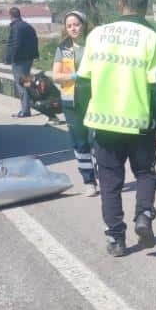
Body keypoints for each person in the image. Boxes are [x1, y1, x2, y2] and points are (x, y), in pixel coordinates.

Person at [83, 0, 156, 257]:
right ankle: (143, 214)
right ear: (145, 7)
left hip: (103, 122)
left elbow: (83, 82)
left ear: (120, 4)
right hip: (140, 122)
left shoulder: (97, 35)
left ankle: (116, 238)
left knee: (110, 182)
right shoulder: (152, 38)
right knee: (145, 172)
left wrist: (88, 116)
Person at [50, 10, 96, 195]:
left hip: (94, 97)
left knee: (96, 139)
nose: (73, 28)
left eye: (76, 24)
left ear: (83, 25)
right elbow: (55, 76)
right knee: (80, 141)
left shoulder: (93, 44)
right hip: (72, 100)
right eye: (69, 26)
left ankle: (103, 176)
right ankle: (89, 181)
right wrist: (73, 76)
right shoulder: (63, 48)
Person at [5, 6, 40, 118]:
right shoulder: (28, 26)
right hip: (29, 59)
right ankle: (28, 107)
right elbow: (35, 40)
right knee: (26, 83)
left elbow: (15, 44)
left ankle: (25, 110)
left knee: (21, 84)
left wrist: (9, 58)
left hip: (19, 60)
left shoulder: (16, 27)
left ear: (10, 16)